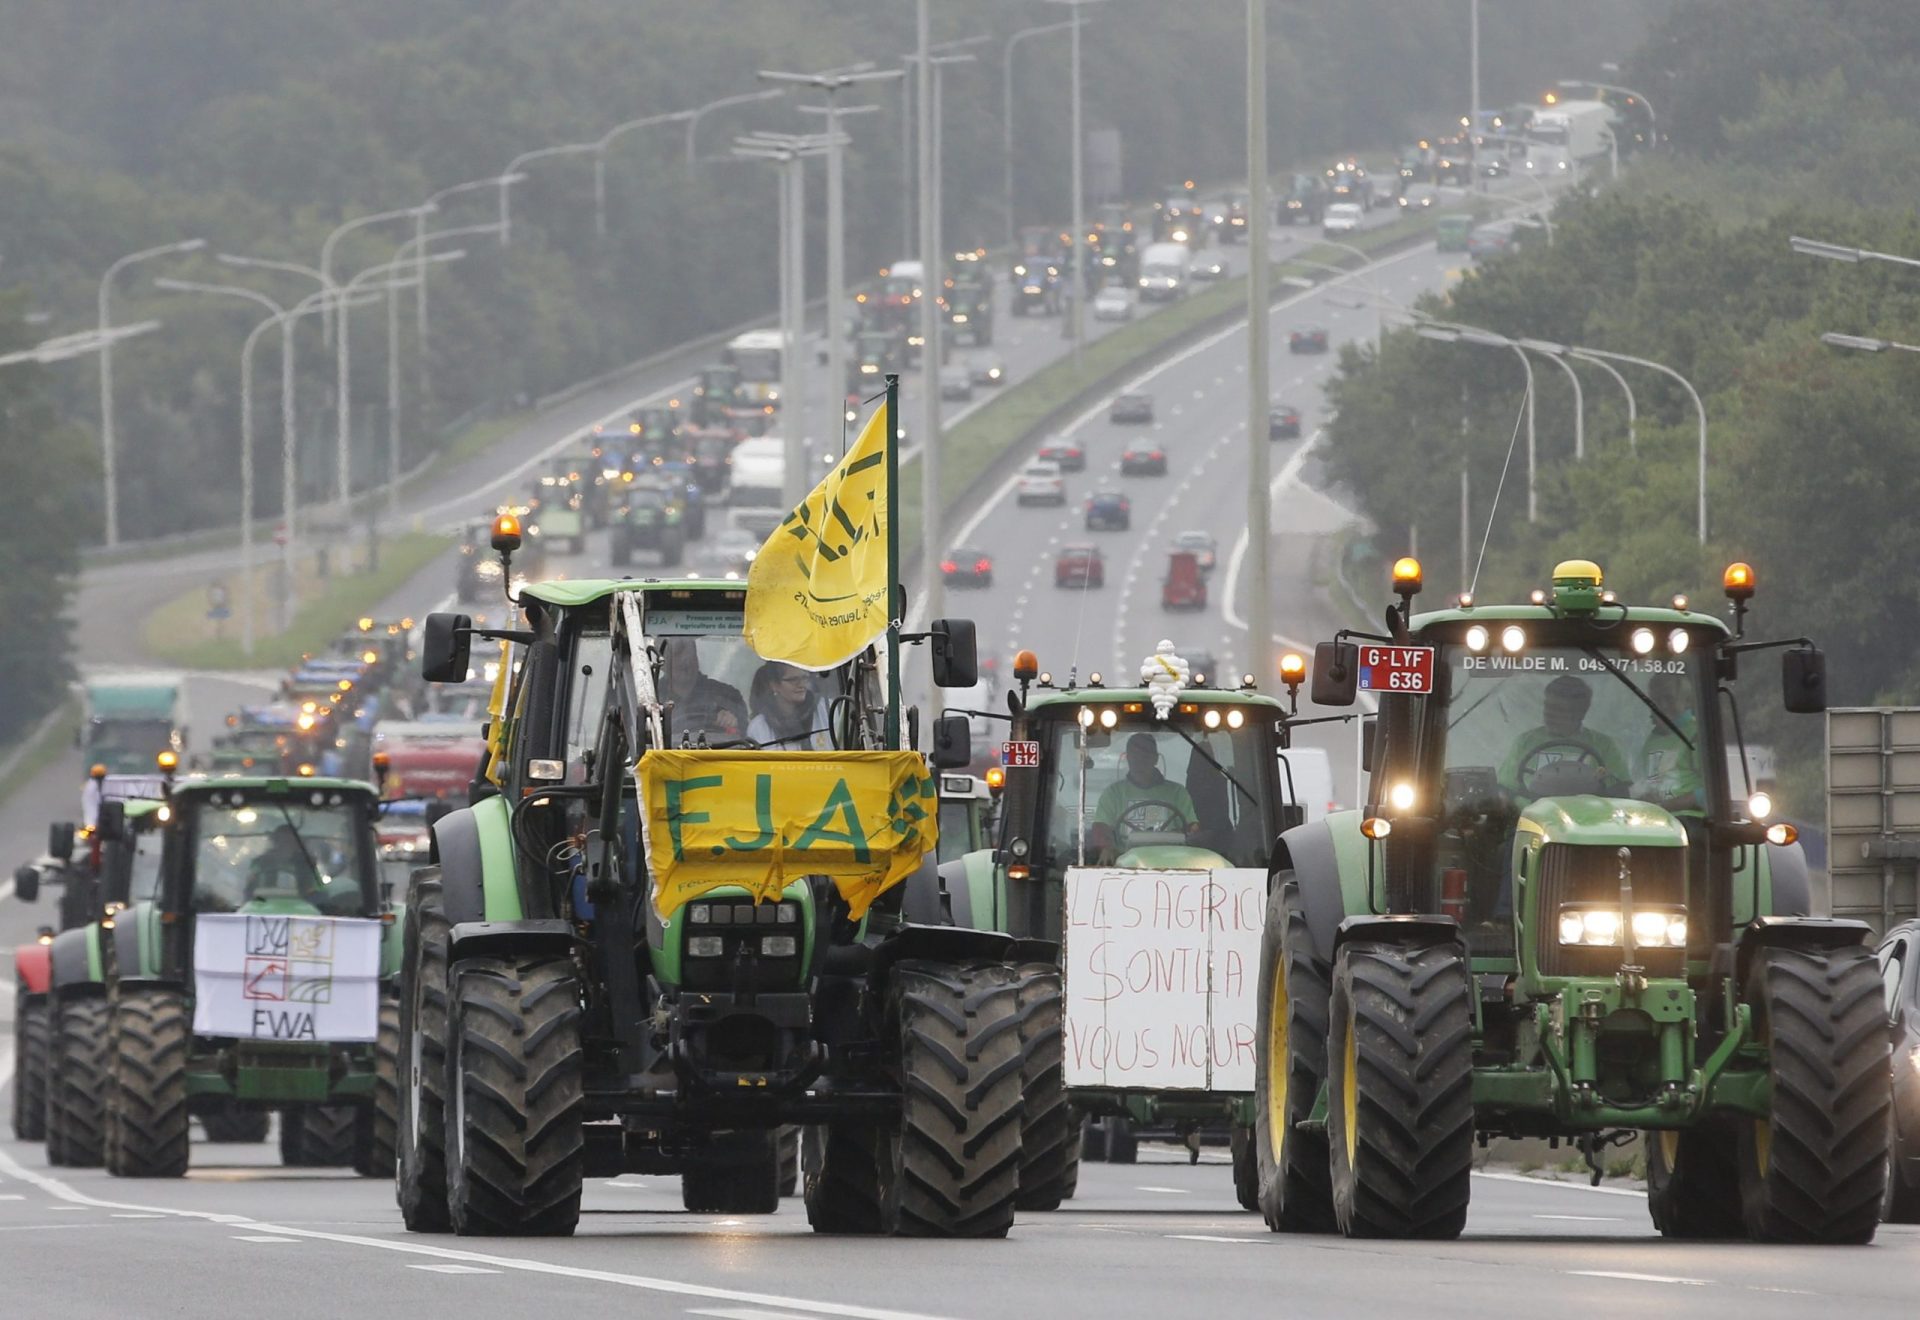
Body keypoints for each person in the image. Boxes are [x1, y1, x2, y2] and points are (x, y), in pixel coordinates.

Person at [1498, 674, 1629, 799]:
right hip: (1529, 818)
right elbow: (1505, 788)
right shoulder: (1525, 742)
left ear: (1580, 712)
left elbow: (1620, 790)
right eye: (1548, 706)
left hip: (1587, 818)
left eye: (1558, 709)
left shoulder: (1603, 745)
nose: (1549, 714)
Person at [1087, 733, 1199, 863]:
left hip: (1173, 862)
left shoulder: (1177, 793)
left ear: (1155, 759)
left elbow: (1192, 828)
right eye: (1135, 756)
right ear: (1127, 758)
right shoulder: (1113, 794)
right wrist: (1107, 847)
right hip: (1125, 864)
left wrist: (1192, 833)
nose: (1139, 761)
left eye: (1145, 756)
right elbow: (1101, 826)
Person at [1634, 671, 1704, 815]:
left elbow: (1709, 792)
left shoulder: (1697, 735)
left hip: (1689, 819)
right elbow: (1642, 782)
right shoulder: (1652, 739)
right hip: (1655, 818)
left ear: (1687, 701)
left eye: (1669, 698)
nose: (1663, 706)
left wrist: (1664, 806)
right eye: (1656, 700)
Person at [661, 639, 749, 744]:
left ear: (697, 658)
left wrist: (734, 722)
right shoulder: (651, 697)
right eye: (678, 653)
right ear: (663, 663)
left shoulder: (727, 696)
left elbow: (747, 740)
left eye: (690, 653)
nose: (685, 659)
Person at [746, 662, 833, 750]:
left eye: (804, 678)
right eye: (793, 680)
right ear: (774, 685)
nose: (801, 685)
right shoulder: (758, 728)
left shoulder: (829, 709)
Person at [248, 823, 319, 894]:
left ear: (297, 843)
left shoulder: (307, 864)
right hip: (263, 903)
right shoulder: (260, 863)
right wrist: (260, 901)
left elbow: (318, 894)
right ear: (276, 841)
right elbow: (249, 893)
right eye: (283, 840)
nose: (286, 844)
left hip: (301, 904)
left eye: (290, 840)